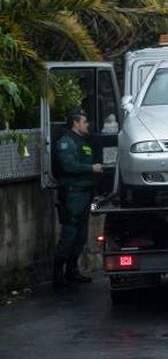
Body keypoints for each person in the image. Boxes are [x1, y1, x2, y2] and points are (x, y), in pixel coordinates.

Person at [53, 110, 103, 288]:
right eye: (84, 121)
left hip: (84, 193)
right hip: (73, 194)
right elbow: (69, 165)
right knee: (69, 234)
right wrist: (91, 168)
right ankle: (58, 274)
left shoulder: (82, 141)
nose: (87, 124)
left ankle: (72, 270)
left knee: (81, 235)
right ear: (76, 123)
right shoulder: (67, 142)